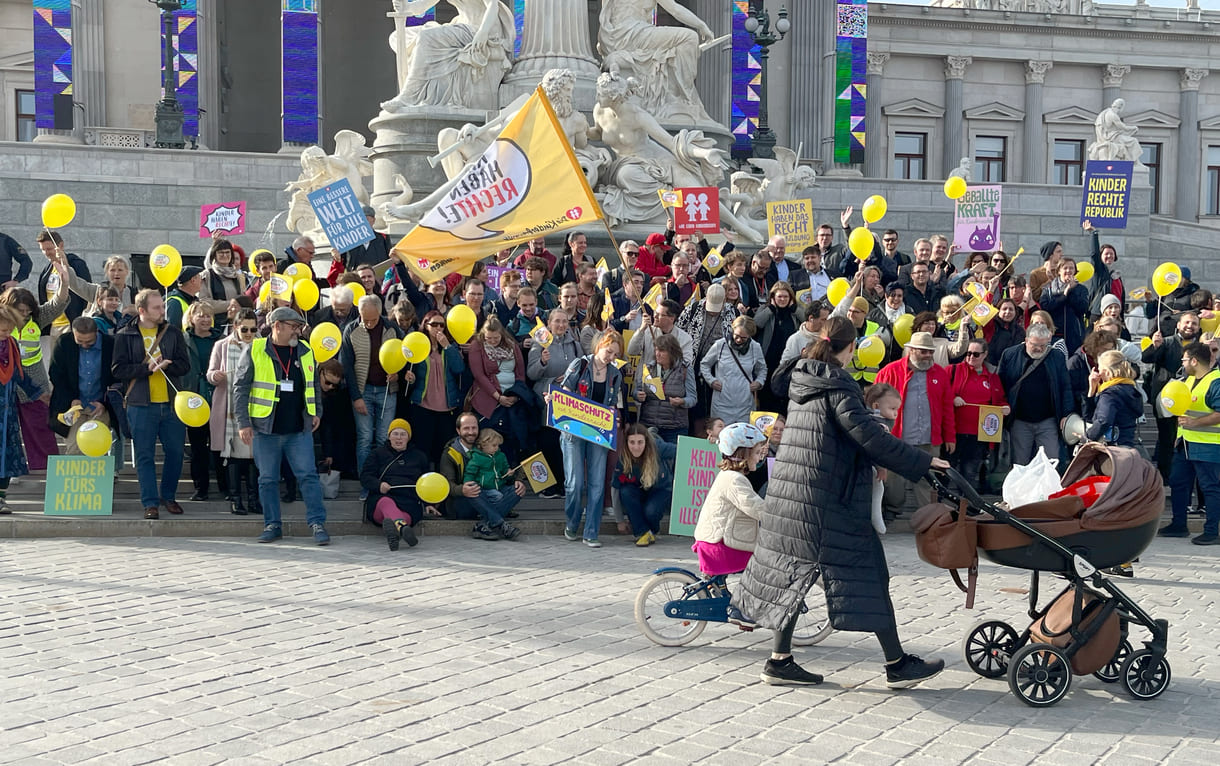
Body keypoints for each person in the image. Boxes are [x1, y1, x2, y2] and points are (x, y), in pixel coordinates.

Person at [731, 316, 950, 687]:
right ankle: (897, 663)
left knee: (791, 573)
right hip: (826, 498)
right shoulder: (837, 385)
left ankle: (779, 661)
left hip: (793, 494)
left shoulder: (804, 379)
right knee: (869, 573)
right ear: (849, 349)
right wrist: (923, 460)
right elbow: (867, 436)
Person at [233, 306, 330, 545]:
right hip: (266, 429)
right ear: (277, 326)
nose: (297, 331)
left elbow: (313, 384)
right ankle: (272, 525)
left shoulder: (306, 350)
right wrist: (243, 423)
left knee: (308, 476)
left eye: (298, 327)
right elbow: (241, 388)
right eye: (293, 327)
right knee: (267, 479)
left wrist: (316, 411)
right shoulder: (255, 349)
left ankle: (317, 524)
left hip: (299, 428)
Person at [112, 289, 191, 520]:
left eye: (162, 307)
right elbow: (117, 370)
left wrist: (168, 365)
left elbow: (185, 366)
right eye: (157, 308)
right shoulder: (125, 334)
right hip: (140, 403)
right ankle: (150, 502)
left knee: (176, 453)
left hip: (170, 402)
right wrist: (146, 369)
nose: (162, 311)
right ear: (142, 310)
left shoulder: (172, 332)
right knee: (144, 455)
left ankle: (169, 496)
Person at [553, 331, 625, 548]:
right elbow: (565, 392)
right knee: (575, 484)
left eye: (615, 354)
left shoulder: (615, 373)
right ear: (599, 345)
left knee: (596, 483)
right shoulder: (580, 365)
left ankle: (591, 531)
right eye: (609, 351)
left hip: (599, 433)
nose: (611, 357)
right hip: (574, 430)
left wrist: (615, 419)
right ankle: (572, 522)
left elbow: (612, 403)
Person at [874, 331, 955, 520]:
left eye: (930, 352)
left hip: (929, 438)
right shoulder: (889, 371)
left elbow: (947, 407)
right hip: (897, 437)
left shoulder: (940, 374)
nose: (928, 355)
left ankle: (927, 519)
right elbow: (874, 404)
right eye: (923, 351)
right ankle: (891, 512)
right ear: (910, 350)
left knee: (927, 481)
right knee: (893, 480)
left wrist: (950, 436)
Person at [2, 276, 68, 471]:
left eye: (27, 310)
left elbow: (58, 303)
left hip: (35, 383)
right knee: (7, 431)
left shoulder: (37, 319)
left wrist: (64, 282)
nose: (24, 315)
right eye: (19, 311)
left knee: (40, 426)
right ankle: (8, 471)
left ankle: (45, 467)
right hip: (7, 384)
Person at [1160, 342, 1220, 546]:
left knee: (1210, 487)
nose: (1182, 363)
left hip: (1208, 444)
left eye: (1184, 359)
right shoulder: (1188, 380)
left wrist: (1195, 422)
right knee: (1178, 483)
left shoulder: (1216, 381)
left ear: (1194, 360)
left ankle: (1212, 531)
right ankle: (1179, 525)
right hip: (1184, 442)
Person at [341, 294, 405, 473]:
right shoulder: (351, 330)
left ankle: (384, 478)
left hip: (387, 390)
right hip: (363, 391)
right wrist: (356, 397)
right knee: (365, 437)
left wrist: (397, 374)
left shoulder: (392, 328)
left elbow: (404, 356)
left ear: (380, 313)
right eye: (364, 319)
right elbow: (347, 366)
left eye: (373, 319)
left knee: (384, 437)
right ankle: (366, 482)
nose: (368, 323)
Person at [996, 324, 1074, 467]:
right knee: (1020, 463)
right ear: (1026, 340)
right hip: (1019, 419)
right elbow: (999, 385)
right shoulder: (1010, 354)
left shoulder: (1056, 356)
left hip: (1048, 420)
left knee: (1051, 462)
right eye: (1035, 345)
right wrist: (1002, 405)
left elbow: (1065, 387)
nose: (1038, 349)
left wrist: (1066, 414)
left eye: (1043, 346)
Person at [207, 308, 259, 515]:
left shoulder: (262, 346)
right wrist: (215, 376)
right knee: (235, 455)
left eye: (253, 329)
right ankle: (236, 499)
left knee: (255, 456)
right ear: (236, 326)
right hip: (229, 406)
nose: (248, 333)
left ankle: (255, 500)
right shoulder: (222, 345)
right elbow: (210, 373)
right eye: (244, 329)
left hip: (256, 406)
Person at [527, 307, 583, 499]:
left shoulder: (574, 344)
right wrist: (542, 363)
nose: (560, 325)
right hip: (547, 399)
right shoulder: (540, 343)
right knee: (549, 442)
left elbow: (583, 369)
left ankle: (564, 484)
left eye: (564, 321)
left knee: (566, 444)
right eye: (556, 321)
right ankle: (549, 486)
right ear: (549, 323)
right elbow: (531, 374)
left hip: (568, 401)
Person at [360, 419, 435, 551]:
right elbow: (365, 477)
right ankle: (402, 528)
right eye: (395, 434)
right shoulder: (377, 454)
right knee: (387, 503)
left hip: (409, 500)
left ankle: (396, 528)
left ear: (408, 437)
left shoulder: (419, 456)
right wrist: (379, 485)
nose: (399, 438)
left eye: (403, 434)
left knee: (406, 513)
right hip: (382, 498)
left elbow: (428, 481)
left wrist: (429, 503)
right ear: (389, 436)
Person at [48, 317, 116, 461]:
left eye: (89, 341)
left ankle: (98, 482)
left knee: (97, 449)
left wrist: (104, 402)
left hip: (100, 407)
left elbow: (116, 377)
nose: (85, 345)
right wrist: (71, 399)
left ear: (97, 332)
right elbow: (56, 375)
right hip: (74, 407)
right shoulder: (64, 343)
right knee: (74, 449)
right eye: (80, 341)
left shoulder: (110, 344)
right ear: (73, 333)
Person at [1143, 312, 1199, 481]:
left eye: (1194, 323)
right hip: (1165, 397)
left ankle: (1185, 476)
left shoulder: (1201, 347)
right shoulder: (1166, 342)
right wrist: (1155, 346)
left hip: (1192, 400)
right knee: (1167, 438)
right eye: (1187, 322)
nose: (1190, 326)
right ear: (1179, 325)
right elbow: (1146, 358)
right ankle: (1164, 477)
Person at [0, 306, 45, 513]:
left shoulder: (12, 345)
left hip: (7, 413)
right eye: (2, 331)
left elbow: (18, 374)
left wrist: (39, 393)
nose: (6, 334)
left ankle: (1, 498)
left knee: (7, 456)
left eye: (9, 330)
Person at [948, 339, 1009, 492]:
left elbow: (1000, 399)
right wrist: (952, 397)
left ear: (984, 355)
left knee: (969, 472)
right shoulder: (952, 370)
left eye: (975, 354)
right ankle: (940, 505)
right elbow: (940, 392)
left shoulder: (992, 377)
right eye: (968, 353)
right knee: (947, 470)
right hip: (954, 431)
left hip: (979, 434)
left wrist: (1004, 407)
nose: (971, 357)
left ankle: (966, 507)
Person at [407, 310, 466, 465]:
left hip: (446, 407)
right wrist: (410, 379)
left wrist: (447, 346)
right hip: (423, 405)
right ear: (426, 326)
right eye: (434, 324)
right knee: (423, 448)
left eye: (442, 325)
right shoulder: (418, 345)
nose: (438, 328)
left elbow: (459, 368)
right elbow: (411, 375)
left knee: (443, 449)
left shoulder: (449, 347)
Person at [467, 315, 530, 459]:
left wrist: (516, 395)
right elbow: (479, 375)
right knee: (488, 438)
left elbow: (520, 373)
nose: (493, 341)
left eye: (496, 338)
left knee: (511, 437)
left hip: (511, 396)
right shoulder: (478, 345)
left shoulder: (511, 345)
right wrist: (497, 396)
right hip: (488, 399)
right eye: (489, 338)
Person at [183, 302, 225, 501]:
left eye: (209, 316)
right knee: (198, 445)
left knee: (219, 443)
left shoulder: (221, 340)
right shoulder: (184, 340)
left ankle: (225, 486)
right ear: (192, 318)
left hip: (218, 395)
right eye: (201, 316)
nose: (206, 319)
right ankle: (201, 488)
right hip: (194, 396)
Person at [614, 424, 677, 547]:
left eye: (640, 442)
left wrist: (710, 442)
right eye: (632, 442)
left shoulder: (658, 447)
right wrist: (619, 520)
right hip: (638, 489)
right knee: (625, 492)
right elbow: (615, 487)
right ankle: (642, 532)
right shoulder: (623, 457)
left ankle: (651, 530)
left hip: (661, 488)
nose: (636, 447)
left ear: (646, 442)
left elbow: (684, 449)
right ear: (626, 442)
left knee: (651, 511)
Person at [700, 315, 766, 425]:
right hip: (721, 404)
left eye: (744, 338)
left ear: (750, 336)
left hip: (745, 405)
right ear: (732, 329)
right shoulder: (720, 345)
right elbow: (704, 365)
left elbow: (762, 369)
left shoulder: (755, 347)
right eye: (737, 336)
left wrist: (759, 382)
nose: (739, 340)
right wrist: (711, 381)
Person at [463, 429, 525, 541]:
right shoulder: (477, 457)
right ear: (483, 445)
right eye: (494, 445)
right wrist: (468, 484)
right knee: (474, 491)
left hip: (499, 488)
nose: (496, 448)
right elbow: (470, 474)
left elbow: (505, 474)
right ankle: (502, 525)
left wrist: (509, 474)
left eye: (497, 445)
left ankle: (483, 525)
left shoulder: (500, 456)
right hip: (484, 491)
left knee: (517, 490)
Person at [635, 334, 696, 443]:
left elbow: (693, 399)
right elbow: (636, 391)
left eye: (662, 351)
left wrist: (682, 401)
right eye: (656, 350)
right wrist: (637, 395)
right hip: (649, 425)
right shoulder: (649, 368)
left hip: (674, 428)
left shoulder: (685, 370)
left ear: (672, 352)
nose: (657, 354)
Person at [752, 282, 800, 413]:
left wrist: (794, 308)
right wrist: (771, 309)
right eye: (779, 297)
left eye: (786, 297)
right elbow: (756, 324)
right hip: (768, 360)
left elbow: (806, 318)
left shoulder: (794, 312)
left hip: (788, 362)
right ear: (773, 297)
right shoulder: (765, 309)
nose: (783, 300)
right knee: (767, 398)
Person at [35, 230, 92, 334]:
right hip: (52, 326)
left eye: (49, 249)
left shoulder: (77, 265)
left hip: (72, 325)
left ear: (60, 246)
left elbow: (87, 294)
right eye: (43, 250)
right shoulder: (46, 270)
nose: (46, 253)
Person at [1085, 349, 1142, 448]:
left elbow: (1103, 420)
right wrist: (1092, 390)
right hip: (1127, 444)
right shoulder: (1131, 389)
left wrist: (1088, 436)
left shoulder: (1110, 394)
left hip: (1111, 448)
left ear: (1107, 372)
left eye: (1100, 368)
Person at [1039, 257, 1090, 355]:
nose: (1068, 271)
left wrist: (1071, 291)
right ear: (1059, 271)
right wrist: (1064, 295)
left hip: (1074, 334)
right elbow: (1045, 308)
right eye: (1065, 268)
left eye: (1071, 268)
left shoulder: (1081, 289)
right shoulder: (1048, 289)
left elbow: (1082, 308)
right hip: (1055, 333)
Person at [627, 299, 694, 368]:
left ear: (671, 318)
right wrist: (641, 330)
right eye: (655, 312)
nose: (655, 316)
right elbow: (631, 351)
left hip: (670, 377)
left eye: (660, 315)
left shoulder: (685, 339)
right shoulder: (647, 331)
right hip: (646, 377)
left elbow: (686, 363)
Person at [200, 239, 249, 320]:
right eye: (221, 252)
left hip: (234, 322)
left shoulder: (237, 276)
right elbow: (203, 302)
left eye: (227, 252)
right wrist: (230, 304)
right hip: (212, 323)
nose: (225, 255)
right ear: (214, 255)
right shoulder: (207, 275)